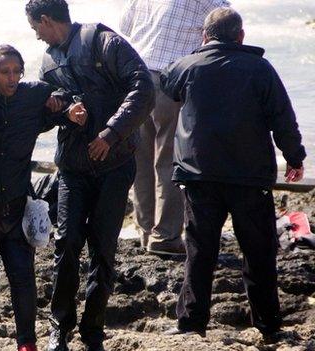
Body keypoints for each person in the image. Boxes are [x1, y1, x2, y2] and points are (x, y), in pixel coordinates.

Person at [160, 7, 306, 339]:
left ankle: (191, 324)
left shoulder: (189, 65)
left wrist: (199, 53)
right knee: (259, 253)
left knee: (200, 252)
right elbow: (283, 118)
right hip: (249, 178)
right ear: (241, 36)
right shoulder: (261, 69)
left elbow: (167, 84)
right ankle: (268, 327)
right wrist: (295, 157)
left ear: (204, 36)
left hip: (200, 176)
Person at [25, 0, 155, 350]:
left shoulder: (105, 42)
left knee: (103, 250)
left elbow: (144, 88)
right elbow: (46, 112)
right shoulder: (49, 62)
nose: (36, 36)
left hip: (115, 165)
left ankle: (93, 329)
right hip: (72, 168)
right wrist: (65, 110)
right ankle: (59, 327)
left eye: (36, 28)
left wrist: (110, 135)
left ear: (47, 20)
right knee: (66, 244)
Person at [0, 45, 75, 351]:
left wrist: (65, 103)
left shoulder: (31, 96)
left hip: (16, 207)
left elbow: (66, 95)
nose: (12, 78)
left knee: (23, 277)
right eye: (5, 72)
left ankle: (27, 344)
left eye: (17, 71)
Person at [119, 0, 230, 255]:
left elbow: (125, 28)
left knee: (142, 159)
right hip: (170, 79)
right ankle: (166, 235)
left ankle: (146, 230)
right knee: (170, 158)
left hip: (136, 78)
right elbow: (227, 21)